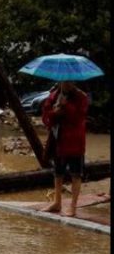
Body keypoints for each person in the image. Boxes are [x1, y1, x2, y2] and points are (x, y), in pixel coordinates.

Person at [40, 81, 89, 217]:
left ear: (74, 82)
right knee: (58, 173)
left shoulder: (81, 97)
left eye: (70, 81)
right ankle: (57, 202)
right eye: (64, 81)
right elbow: (45, 117)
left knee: (75, 174)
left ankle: (73, 206)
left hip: (74, 141)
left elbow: (78, 118)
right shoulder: (53, 95)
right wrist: (54, 111)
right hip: (58, 140)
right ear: (60, 81)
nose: (67, 84)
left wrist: (65, 105)